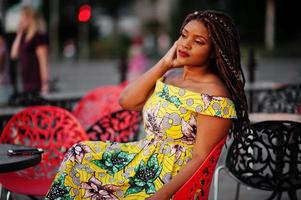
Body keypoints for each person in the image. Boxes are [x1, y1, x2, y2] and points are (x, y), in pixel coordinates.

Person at [45, 10, 249, 200]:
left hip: (165, 177)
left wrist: (158, 198)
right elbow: (126, 101)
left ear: (214, 52)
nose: (186, 44)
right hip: (140, 159)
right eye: (184, 35)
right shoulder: (171, 77)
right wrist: (164, 64)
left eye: (198, 41)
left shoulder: (214, 96)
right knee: (79, 154)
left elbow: (200, 158)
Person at [10, 6, 48, 94]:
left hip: (36, 81)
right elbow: (13, 55)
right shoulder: (23, 37)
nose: (21, 21)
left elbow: (43, 61)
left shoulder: (37, 36)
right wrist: (19, 34)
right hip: (25, 82)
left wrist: (45, 83)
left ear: (30, 19)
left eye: (23, 18)